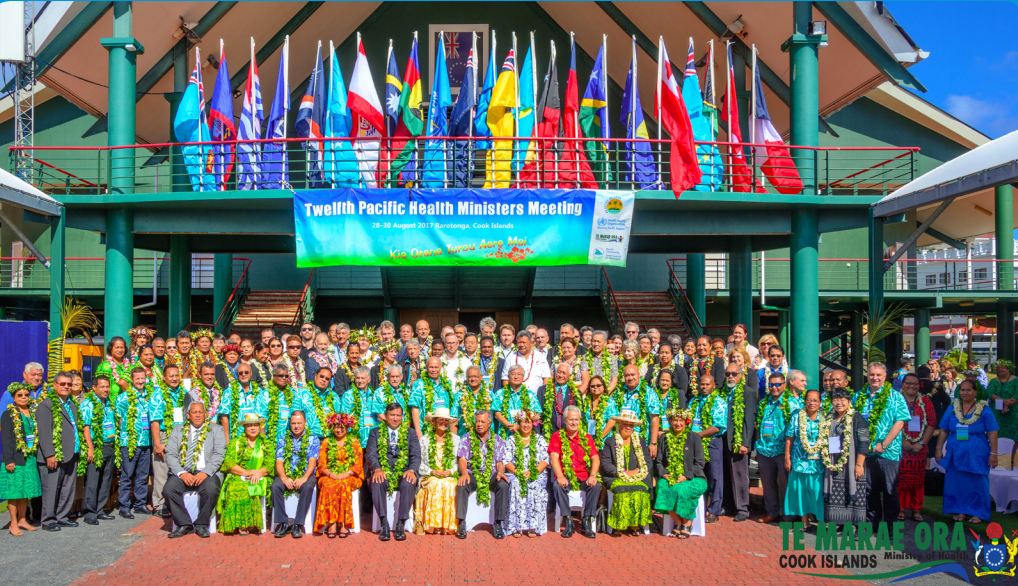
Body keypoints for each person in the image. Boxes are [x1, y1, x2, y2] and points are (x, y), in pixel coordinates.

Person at [854, 362, 910, 525]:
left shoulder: (895, 396)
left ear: (885, 377)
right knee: (869, 490)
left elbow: (900, 422)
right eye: (872, 374)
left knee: (889, 490)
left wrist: (884, 444)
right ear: (867, 375)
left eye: (878, 375)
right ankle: (872, 522)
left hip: (888, 452)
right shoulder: (859, 396)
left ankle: (891, 526)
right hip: (865, 451)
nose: (875, 378)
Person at [935, 380, 998, 524]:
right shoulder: (952, 408)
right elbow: (944, 429)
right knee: (957, 481)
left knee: (977, 480)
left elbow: (992, 432)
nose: (965, 392)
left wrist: (994, 453)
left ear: (975, 392)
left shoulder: (984, 409)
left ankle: (978, 513)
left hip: (977, 452)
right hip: (955, 451)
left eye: (968, 390)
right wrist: (938, 448)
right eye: (962, 390)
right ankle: (961, 510)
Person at [165, 402, 227, 538]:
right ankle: (183, 524)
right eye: (194, 412)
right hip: (183, 471)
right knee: (169, 490)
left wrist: (205, 472)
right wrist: (182, 473)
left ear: (205, 415)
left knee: (211, 489)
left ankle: (202, 524)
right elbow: (170, 454)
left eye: (200, 412)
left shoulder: (216, 429)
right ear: (188, 415)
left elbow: (219, 454)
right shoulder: (178, 430)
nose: (198, 415)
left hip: (207, 471)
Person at [367, 402, 420, 541]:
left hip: (403, 472)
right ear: (385, 416)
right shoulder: (375, 432)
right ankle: (384, 523)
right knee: (377, 482)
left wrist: (412, 470)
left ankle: (400, 524)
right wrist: (377, 469)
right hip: (383, 472)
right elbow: (371, 454)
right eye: (392, 415)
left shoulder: (410, 433)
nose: (395, 418)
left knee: (408, 482)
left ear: (402, 416)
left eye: (398, 415)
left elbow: (415, 455)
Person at [753, 373, 801, 524]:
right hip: (764, 449)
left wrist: (789, 454)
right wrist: (757, 445)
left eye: (777, 384)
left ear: (784, 385)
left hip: (782, 451)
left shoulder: (791, 404)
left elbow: (795, 430)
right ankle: (772, 512)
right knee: (768, 485)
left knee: (786, 484)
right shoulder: (764, 402)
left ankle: (789, 515)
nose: (774, 387)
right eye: (771, 384)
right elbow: (758, 425)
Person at [217, 413, 275, 535]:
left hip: (261, 476)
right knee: (234, 488)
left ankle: (250, 523)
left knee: (251, 487)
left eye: (255, 425)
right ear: (244, 428)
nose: (253, 428)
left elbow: (269, 465)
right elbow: (229, 463)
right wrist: (246, 472)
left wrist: (258, 473)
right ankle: (238, 523)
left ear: (260, 427)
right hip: (240, 475)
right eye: (249, 426)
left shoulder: (267, 444)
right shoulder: (235, 443)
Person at [455, 409, 509, 539]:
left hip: (491, 475)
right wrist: (463, 473)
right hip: (473, 474)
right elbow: (462, 459)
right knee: (462, 484)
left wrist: (500, 472)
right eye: (477, 421)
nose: (479, 424)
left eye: (482, 421)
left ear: (489, 423)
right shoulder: (466, 438)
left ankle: (498, 523)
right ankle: (461, 523)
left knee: (503, 484)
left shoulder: (498, 440)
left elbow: (500, 462)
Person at [548, 405, 600, 538]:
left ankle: (586, 520)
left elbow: (595, 458)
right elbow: (554, 458)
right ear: (565, 420)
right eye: (571, 419)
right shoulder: (557, 436)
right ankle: (568, 520)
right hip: (566, 476)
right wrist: (560, 475)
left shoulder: (587, 437)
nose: (574, 422)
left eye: (576, 420)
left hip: (583, 477)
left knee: (596, 485)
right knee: (557, 486)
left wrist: (593, 475)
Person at [654, 408, 707, 539]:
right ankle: (677, 522)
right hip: (671, 477)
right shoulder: (664, 437)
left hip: (694, 477)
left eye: (681, 420)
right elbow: (659, 462)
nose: (678, 423)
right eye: (675, 420)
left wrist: (686, 476)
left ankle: (687, 523)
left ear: (686, 422)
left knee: (682, 489)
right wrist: (664, 474)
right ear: (670, 422)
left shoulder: (694, 437)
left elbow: (700, 462)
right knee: (662, 487)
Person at [601, 409, 653, 535]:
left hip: (637, 476)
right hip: (616, 477)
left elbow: (648, 461)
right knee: (622, 491)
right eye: (625, 424)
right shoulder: (610, 441)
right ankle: (618, 525)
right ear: (619, 424)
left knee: (640, 491)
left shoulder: (640, 441)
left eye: (631, 424)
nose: (628, 427)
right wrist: (622, 472)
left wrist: (637, 471)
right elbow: (605, 463)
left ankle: (635, 525)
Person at [1, 383, 43, 535]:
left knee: (25, 491)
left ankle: (22, 519)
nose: (24, 398)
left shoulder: (32, 412)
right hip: (15, 458)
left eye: (26, 395)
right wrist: (9, 460)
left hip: (30, 457)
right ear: (13, 397)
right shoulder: (9, 414)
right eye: (20, 395)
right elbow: (6, 439)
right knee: (14, 492)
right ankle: (13, 523)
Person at [823, 387, 869, 525]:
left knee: (854, 495)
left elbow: (864, 442)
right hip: (834, 463)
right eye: (835, 399)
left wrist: (859, 465)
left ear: (849, 401)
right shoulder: (830, 417)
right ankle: (839, 524)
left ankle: (858, 527)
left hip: (852, 463)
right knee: (837, 494)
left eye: (842, 400)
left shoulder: (857, 418)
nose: (839, 403)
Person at [271, 411, 320, 539]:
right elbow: (279, 461)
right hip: (287, 474)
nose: (296, 426)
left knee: (307, 487)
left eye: (299, 423)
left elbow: (312, 461)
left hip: (306, 474)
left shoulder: (312, 438)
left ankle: (298, 523)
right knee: (275, 486)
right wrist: (284, 478)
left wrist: (304, 478)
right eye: (293, 423)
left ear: (305, 423)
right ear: (290, 424)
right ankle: (283, 523)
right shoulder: (283, 438)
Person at [314, 413, 364, 538]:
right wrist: (329, 473)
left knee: (343, 484)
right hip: (329, 475)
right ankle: (331, 524)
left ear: (348, 428)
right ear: (332, 427)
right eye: (336, 427)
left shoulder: (354, 442)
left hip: (350, 476)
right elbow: (321, 464)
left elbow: (358, 465)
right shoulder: (326, 442)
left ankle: (343, 524)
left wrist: (346, 474)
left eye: (342, 427)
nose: (339, 430)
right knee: (327, 484)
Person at [783, 390, 825, 531]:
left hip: (818, 463)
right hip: (799, 461)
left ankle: (820, 521)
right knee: (800, 491)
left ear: (820, 402)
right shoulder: (797, 416)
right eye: (809, 400)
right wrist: (787, 459)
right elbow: (789, 439)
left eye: (815, 400)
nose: (811, 403)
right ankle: (804, 521)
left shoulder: (825, 418)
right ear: (805, 401)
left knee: (816, 491)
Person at [414, 407, 460, 535]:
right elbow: (419, 463)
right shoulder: (425, 440)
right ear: (433, 422)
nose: (444, 423)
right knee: (435, 483)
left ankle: (447, 526)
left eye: (446, 420)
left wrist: (450, 471)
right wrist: (431, 471)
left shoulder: (456, 440)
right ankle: (432, 525)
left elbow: (460, 463)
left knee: (449, 484)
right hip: (429, 475)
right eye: (440, 420)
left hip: (449, 475)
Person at [149, 364, 187, 518]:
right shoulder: (157, 395)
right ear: (164, 378)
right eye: (171, 376)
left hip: (180, 434)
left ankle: (176, 502)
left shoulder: (184, 393)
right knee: (162, 471)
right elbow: (155, 422)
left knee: (179, 469)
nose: (174, 378)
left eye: (176, 375)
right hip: (164, 434)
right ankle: (159, 504)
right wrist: (157, 444)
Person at [504, 410, 549, 537]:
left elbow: (545, 459)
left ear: (533, 424)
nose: (526, 425)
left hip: (536, 473)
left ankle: (532, 526)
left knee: (534, 484)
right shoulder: (511, 440)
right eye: (524, 422)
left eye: (529, 422)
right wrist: (518, 472)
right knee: (517, 484)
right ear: (518, 423)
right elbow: (507, 461)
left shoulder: (539, 439)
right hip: (516, 473)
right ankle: (516, 526)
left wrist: (533, 472)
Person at [79, 376, 117, 526]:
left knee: (105, 480)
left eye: (107, 387)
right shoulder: (88, 404)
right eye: (102, 387)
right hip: (96, 445)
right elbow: (85, 427)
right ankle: (89, 513)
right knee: (93, 481)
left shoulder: (108, 403)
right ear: (94, 388)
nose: (106, 390)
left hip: (109, 444)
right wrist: (90, 448)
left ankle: (100, 509)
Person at [897, 373, 936, 522]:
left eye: (915, 383)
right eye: (908, 383)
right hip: (901, 446)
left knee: (918, 479)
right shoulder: (896, 400)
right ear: (903, 384)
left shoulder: (926, 401)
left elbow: (931, 423)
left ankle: (916, 509)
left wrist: (921, 443)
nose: (911, 386)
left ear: (919, 385)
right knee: (900, 478)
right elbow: (891, 422)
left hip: (920, 448)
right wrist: (903, 441)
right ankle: (900, 507)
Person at [722, 361, 758, 522]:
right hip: (724, 440)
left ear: (741, 375)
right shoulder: (723, 392)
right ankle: (728, 505)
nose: (730, 377)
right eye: (728, 374)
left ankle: (743, 507)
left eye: (734, 374)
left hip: (738, 441)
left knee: (740, 475)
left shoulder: (748, 392)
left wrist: (745, 443)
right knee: (726, 474)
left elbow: (749, 420)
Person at [116, 367, 152, 518]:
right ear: (131, 379)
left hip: (146, 441)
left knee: (143, 475)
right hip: (129, 442)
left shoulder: (149, 397)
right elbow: (118, 419)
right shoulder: (123, 397)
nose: (140, 381)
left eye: (142, 378)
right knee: (127, 475)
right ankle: (124, 506)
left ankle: (140, 504)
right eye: (137, 378)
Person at [690, 374, 727, 523]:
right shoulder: (694, 400)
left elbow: (717, 426)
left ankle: (714, 510)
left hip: (712, 442)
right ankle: (700, 507)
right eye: (702, 384)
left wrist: (698, 435)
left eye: (707, 384)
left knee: (714, 476)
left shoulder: (718, 402)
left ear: (713, 385)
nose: (704, 387)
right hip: (695, 443)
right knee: (699, 474)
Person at [412, 357, 460, 439]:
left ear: (440, 367)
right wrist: (418, 433)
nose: (433, 370)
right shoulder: (419, 384)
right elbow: (415, 409)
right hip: (426, 432)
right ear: (426, 367)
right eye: (431, 367)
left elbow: (451, 408)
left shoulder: (446, 384)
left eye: (436, 367)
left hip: (444, 431)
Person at [493, 365, 542, 437]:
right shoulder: (500, 393)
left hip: (525, 434)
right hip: (505, 433)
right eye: (513, 374)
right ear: (508, 377)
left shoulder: (530, 394)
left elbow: (536, 413)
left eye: (519, 374)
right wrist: (510, 425)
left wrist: (521, 426)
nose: (516, 377)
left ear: (523, 377)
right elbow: (497, 414)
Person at [539, 362, 582, 438]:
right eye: (559, 372)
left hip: (568, 434)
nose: (561, 375)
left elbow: (581, 416)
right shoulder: (543, 390)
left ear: (569, 376)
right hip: (547, 434)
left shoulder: (576, 393)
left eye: (564, 373)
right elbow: (538, 414)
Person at [340, 366, 378, 447]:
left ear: (369, 379)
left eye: (363, 378)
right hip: (355, 440)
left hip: (372, 440)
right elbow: (344, 419)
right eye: (357, 378)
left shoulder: (375, 395)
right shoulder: (348, 395)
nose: (360, 381)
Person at [989, 359, 1018, 441]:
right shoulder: (993, 381)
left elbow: (1017, 394)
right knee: (998, 436)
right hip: (997, 413)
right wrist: (1004, 401)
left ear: (1008, 369)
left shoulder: (1016, 380)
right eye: (998, 368)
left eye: (1003, 368)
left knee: (1013, 436)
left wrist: (1007, 404)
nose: (1000, 370)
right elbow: (990, 393)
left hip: (1013, 413)